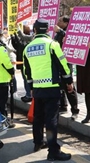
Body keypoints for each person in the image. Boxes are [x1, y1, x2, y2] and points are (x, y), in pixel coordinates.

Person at [22, 19, 73, 161]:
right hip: (52, 88)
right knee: (51, 120)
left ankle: (38, 142)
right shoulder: (52, 44)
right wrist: (68, 81)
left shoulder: (28, 48)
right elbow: (63, 64)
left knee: (38, 118)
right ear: (48, 29)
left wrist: (31, 87)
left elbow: (27, 71)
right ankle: (53, 151)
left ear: (35, 30)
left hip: (37, 89)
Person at [53, 16, 79, 119]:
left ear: (66, 23)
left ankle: (75, 110)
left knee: (69, 87)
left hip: (67, 63)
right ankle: (63, 106)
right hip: (58, 62)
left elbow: (72, 40)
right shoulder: (58, 33)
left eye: (60, 21)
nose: (58, 22)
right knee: (60, 87)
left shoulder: (68, 31)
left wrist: (61, 32)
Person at [12, 24, 33, 102]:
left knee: (27, 79)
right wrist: (13, 37)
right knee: (25, 79)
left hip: (26, 63)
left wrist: (16, 33)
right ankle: (28, 94)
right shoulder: (22, 39)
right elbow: (16, 46)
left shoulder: (29, 39)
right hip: (21, 62)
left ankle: (29, 95)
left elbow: (21, 45)